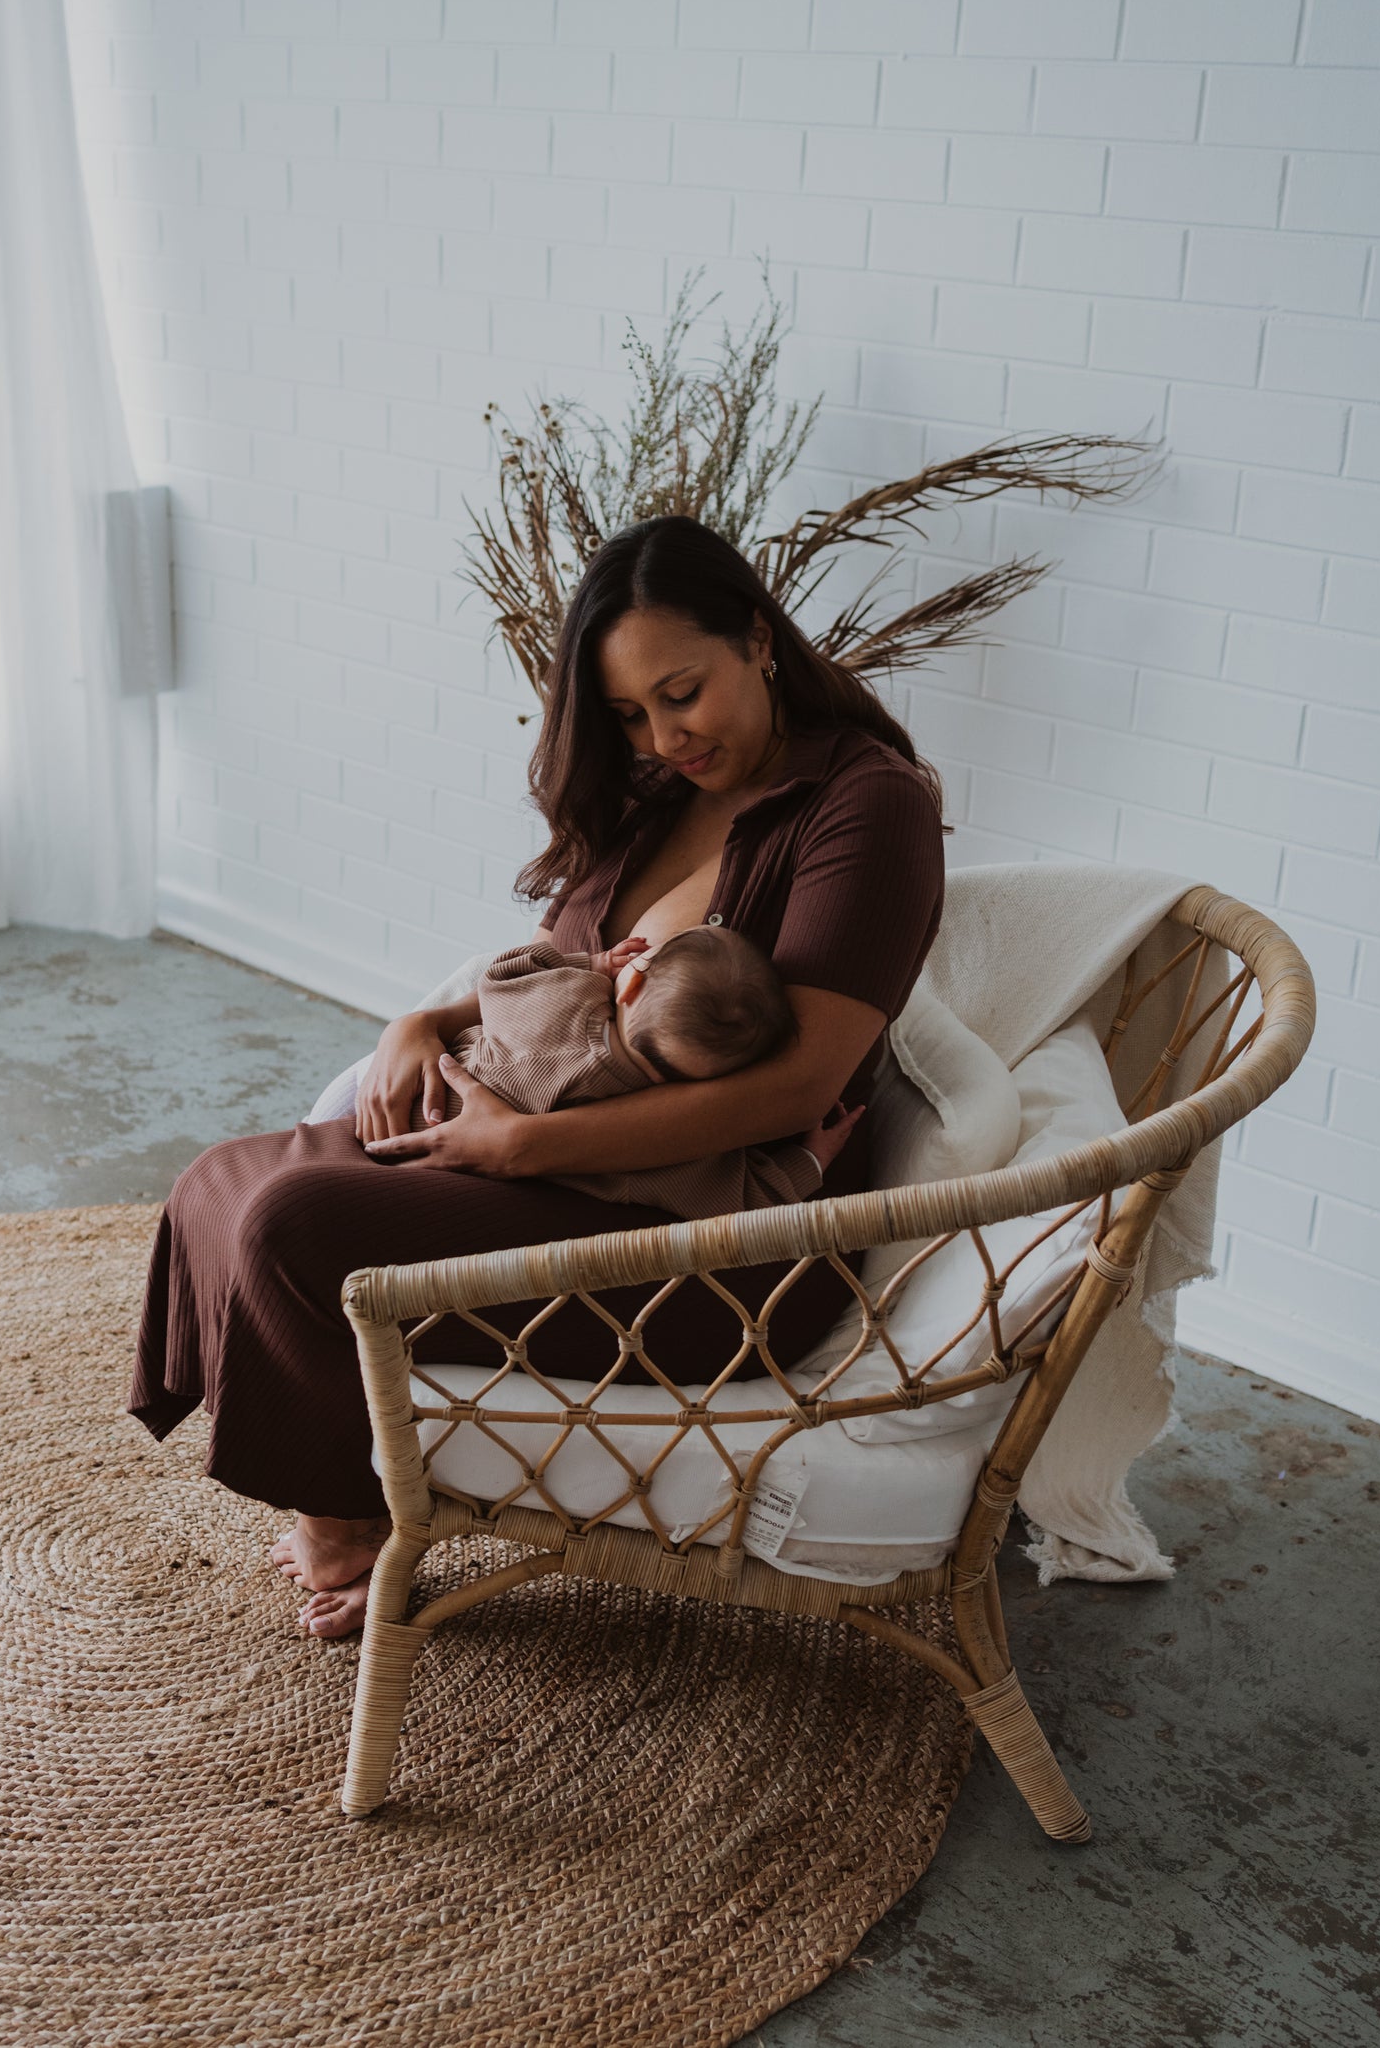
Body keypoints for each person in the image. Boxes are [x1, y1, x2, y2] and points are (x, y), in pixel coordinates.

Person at [130, 512, 946, 1639]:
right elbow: (570, 986)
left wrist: (518, 1146)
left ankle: (348, 1522)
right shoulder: (657, 797)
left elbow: (792, 1091)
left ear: (758, 639)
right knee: (217, 1179)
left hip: (712, 1256)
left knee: (290, 1225)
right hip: (559, 1169)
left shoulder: (868, 804)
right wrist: (422, 1021)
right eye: (626, 714)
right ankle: (350, 1498)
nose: (662, 737)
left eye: (681, 691)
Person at [338, 925, 861, 1218]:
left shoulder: (565, 997)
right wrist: (810, 1161)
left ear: (632, 983)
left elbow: (502, 974)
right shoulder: (647, 1140)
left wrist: (591, 965)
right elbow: (744, 1197)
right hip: (448, 1183)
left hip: (395, 1115)